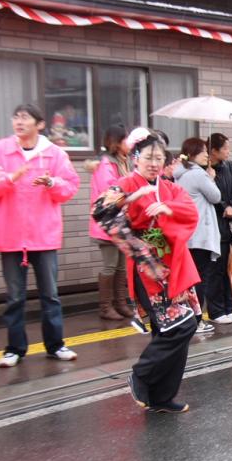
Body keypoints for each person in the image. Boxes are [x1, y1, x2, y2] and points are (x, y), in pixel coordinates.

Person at [92, 128, 199, 412]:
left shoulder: (169, 186)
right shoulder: (126, 183)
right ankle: (142, 374)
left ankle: (160, 395)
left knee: (171, 328)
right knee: (180, 325)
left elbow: (190, 210)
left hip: (172, 261)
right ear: (136, 158)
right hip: (148, 267)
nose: (154, 163)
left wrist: (167, 209)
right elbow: (100, 210)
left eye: (159, 158)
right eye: (148, 157)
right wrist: (130, 197)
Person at [0, 104, 80, 368]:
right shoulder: (1, 149)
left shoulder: (54, 154)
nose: (18, 122)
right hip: (11, 234)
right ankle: (14, 348)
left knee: (50, 295)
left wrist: (52, 183)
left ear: (39, 124)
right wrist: (11, 177)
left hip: (43, 235)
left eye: (25, 118)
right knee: (15, 297)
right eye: (16, 117)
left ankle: (55, 345)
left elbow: (70, 187)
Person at [174, 137, 230, 328]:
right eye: (203, 151)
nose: (207, 154)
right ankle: (196, 320)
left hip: (188, 234)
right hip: (201, 235)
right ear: (192, 154)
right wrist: (211, 178)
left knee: (190, 279)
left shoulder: (180, 174)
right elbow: (216, 197)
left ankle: (189, 318)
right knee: (200, 279)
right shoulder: (198, 174)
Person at [89, 125, 135, 321]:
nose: (129, 144)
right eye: (125, 140)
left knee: (121, 266)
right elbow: (112, 191)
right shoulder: (106, 164)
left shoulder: (123, 162)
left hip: (120, 222)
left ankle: (121, 303)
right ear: (116, 142)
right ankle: (105, 307)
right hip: (107, 223)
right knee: (110, 266)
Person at [208, 133, 232, 320]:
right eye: (225, 149)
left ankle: (229, 308)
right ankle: (216, 311)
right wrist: (224, 206)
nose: (228, 152)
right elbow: (211, 198)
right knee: (215, 271)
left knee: (230, 269)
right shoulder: (204, 171)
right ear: (213, 151)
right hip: (215, 227)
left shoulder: (230, 167)